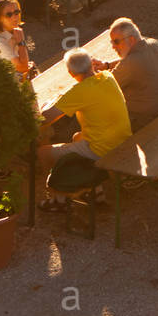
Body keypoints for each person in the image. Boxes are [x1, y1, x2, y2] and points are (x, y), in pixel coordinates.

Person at [38, 49, 132, 210]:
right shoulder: (107, 77)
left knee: (43, 153)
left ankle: (58, 199)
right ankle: (96, 193)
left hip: (102, 148)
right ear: (91, 65)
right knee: (77, 137)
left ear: (70, 73)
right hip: (122, 139)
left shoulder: (79, 91)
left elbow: (46, 117)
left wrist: (47, 105)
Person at [92, 17, 158, 128]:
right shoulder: (154, 45)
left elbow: (104, 86)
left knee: (101, 105)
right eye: (112, 42)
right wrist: (107, 65)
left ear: (131, 39)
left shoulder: (130, 63)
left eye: (116, 41)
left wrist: (91, 71)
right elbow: (129, 60)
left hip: (150, 116)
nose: (113, 46)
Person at [0, 0, 31, 78]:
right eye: (9, 14)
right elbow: (23, 68)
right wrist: (21, 42)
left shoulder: (14, 32)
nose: (15, 17)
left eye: (16, 12)